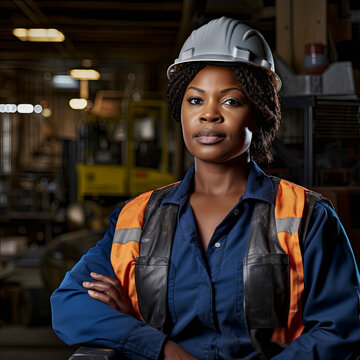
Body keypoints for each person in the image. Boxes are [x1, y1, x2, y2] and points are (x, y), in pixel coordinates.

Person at [51, 17, 360, 359]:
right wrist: (160, 347)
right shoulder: (137, 218)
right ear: (180, 112)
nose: (209, 115)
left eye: (230, 101)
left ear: (258, 113)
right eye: (195, 101)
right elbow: (69, 304)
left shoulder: (307, 217)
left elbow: (339, 329)